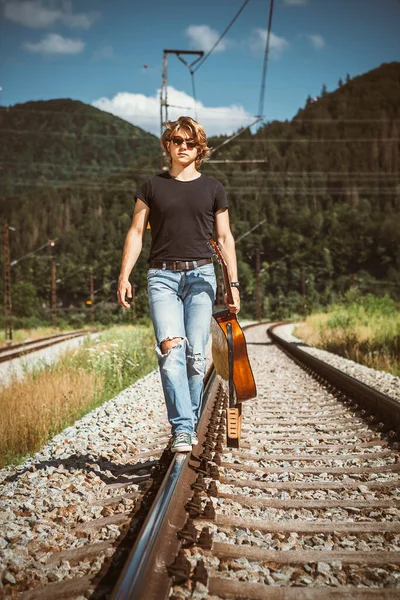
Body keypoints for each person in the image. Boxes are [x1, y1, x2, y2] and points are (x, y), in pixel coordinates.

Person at [117, 116, 240, 452]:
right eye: (176, 141)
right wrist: (124, 274)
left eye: (189, 142)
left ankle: (186, 423)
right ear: (167, 145)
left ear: (199, 148)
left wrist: (233, 284)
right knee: (171, 352)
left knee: (196, 358)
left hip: (202, 276)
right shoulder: (151, 187)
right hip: (162, 278)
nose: (182, 147)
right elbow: (135, 233)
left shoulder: (213, 188)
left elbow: (225, 238)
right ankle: (184, 429)